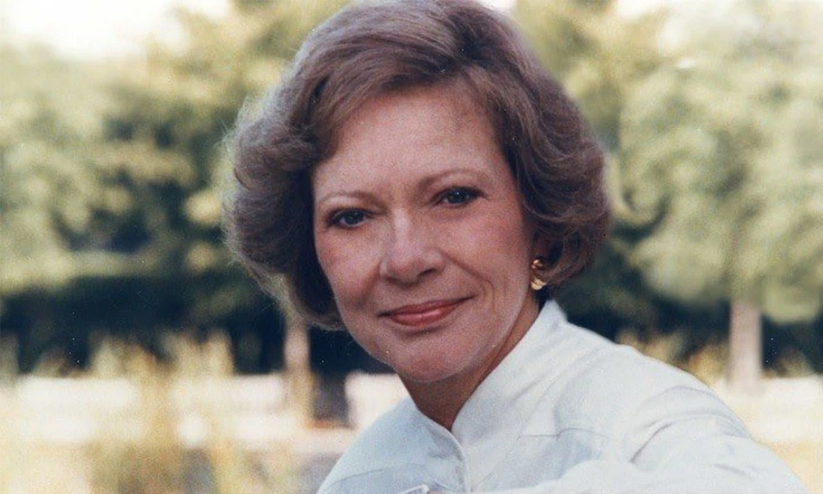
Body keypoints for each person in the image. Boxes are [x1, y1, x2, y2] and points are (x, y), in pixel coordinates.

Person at [223, 1, 808, 493]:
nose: (405, 259)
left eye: (454, 197)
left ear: (539, 216)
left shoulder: (648, 426)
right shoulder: (362, 478)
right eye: (352, 217)